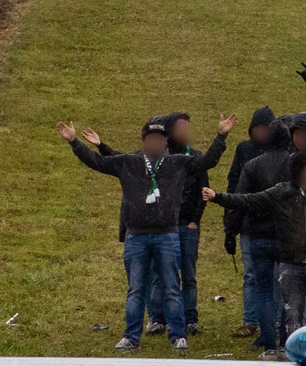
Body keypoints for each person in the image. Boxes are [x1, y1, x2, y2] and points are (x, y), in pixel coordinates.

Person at [56, 113, 237, 350]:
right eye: (151, 138)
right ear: (144, 141)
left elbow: (208, 162)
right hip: (136, 236)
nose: (156, 143)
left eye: (160, 139)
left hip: (167, 235)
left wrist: (221, 135)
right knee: (136, 289)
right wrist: (73, 142)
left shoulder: (176, 163)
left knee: (172, 287)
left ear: (165, 142)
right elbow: (96, 162)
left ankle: (178, 335)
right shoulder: (129, 162)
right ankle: (131, 336)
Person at [82, 111, 210, 336]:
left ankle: (185, 325)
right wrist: (96, 145)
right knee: (149, 282)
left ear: (165, 139)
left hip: (178, 227)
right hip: (144, 231)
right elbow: (114, 162)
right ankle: (152, 322)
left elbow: (204, 184)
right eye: (181, 127)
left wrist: (194, 220)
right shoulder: (141, 160)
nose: (185, 132)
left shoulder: (185, 159)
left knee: (183, 277)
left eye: (187, 128)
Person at [205, 151, 306, 357]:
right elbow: (249, 200)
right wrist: (218, 198)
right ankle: (293, 353)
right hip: (291, 264)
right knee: (293, 314)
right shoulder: (281, 192)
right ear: (299, 172)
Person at [223, 119, 294, 357]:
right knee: (287, 292)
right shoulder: (296, 165)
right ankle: (285, 341)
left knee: (262, 290)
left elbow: (239, 201)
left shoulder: (253, 165)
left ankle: (268, 345)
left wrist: (230, 232)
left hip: (259, 235)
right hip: (288, 237)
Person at [224, 106, 276, 339]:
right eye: (258, 128)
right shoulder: (244, 149)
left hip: (275, 225)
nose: (261, 132)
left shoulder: (281, 153)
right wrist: (230, 224)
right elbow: (234, 184)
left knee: (276, 276)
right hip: (248, 223)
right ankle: (250, 320)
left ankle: (273, 322)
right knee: (251, 275)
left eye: (265, 128)